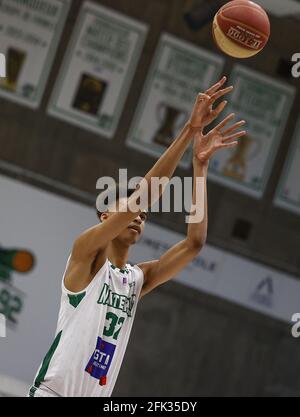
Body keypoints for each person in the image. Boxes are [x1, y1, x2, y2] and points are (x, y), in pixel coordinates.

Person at [29, 76, 246, 397]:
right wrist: (189, 130)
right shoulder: (87, 253)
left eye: (144, 217)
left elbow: (194, 244)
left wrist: (200, 166)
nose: (139, 216)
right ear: (107, 215)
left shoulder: (136, 279)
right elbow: (144, 197)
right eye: (130, 210)